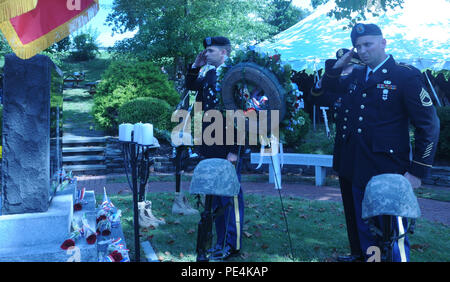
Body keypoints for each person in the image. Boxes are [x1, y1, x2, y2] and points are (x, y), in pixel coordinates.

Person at [317, 23, 440, 262]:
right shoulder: (355, 74)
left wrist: (417, 171)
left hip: (387, 167)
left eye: (368, 44)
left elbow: (429, 124)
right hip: (354, 163)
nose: (362, 50)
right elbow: (324, 91)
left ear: (383, 42)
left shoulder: (405, 75)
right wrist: (335, 68)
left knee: (391, 229)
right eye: (357, 46)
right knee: (362, 223)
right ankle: (365, 257)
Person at [185, 36, 244, 260]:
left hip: (228, 145)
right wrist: (195, 66)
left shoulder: (236, 74)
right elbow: (191, 88)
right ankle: (219, 240)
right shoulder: (209, 73)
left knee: (230, 195)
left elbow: (241, 115)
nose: (206, 54)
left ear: (224, 52)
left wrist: (235, 149)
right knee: (215, 195)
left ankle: (232, 243)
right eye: (206, 51)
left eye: (210, 51)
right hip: (210, 143)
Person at [311, 48, 365, 262]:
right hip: (344, 155)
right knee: (350, 208)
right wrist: (333, 72)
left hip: (364, 156)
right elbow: (315, 96)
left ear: (359, 66)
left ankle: (372, 253)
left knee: (366, 208)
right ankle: (356, 251)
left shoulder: (363, 83)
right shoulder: (340, 85)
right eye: (343, 66)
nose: (346, 70)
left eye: (349, 66)